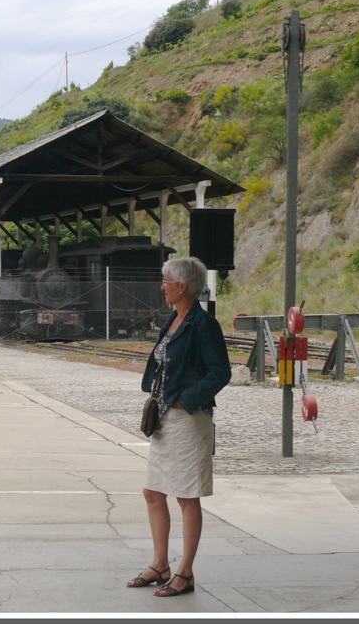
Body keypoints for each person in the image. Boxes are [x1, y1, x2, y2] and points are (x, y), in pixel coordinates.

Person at [127, 256, 231, 597]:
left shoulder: (203, 324)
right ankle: (161, 565)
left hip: (188, 420)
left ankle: (185, 573)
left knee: (187, 496)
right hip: (164, 420)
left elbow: (220, 372)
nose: (162, 287)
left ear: (182, 287)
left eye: (166, 282)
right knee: (154, 492)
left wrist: (185, 399)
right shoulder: (174, 319)